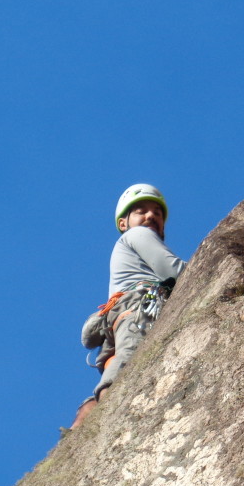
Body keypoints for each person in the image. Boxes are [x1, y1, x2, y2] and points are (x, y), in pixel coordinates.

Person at [71, 183, 187, 429]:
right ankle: (106, 415)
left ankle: (87, 418)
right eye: (141, 211)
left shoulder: (129, 242)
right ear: (124, 223)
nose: (150, 216)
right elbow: (173, 270)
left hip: (121, 316)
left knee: (118, 360)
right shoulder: (137, 235)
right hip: (138, 306)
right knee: (131, 359)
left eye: (157, 212)